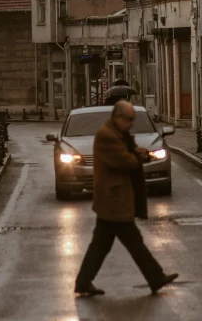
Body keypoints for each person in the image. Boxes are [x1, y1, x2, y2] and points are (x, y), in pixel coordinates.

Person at [75, 100, 178, 297]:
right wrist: (138, 155)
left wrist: (137, 152)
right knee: (132, 242)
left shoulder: (117, 134)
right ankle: (156, 278)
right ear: (118, 117)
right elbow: (125, 161)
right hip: (113, 200)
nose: (131, 123)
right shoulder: (107, 137)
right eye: (129, 119)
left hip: (113, 200)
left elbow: (131, 153)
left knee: (102, 245)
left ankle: (83, 282)